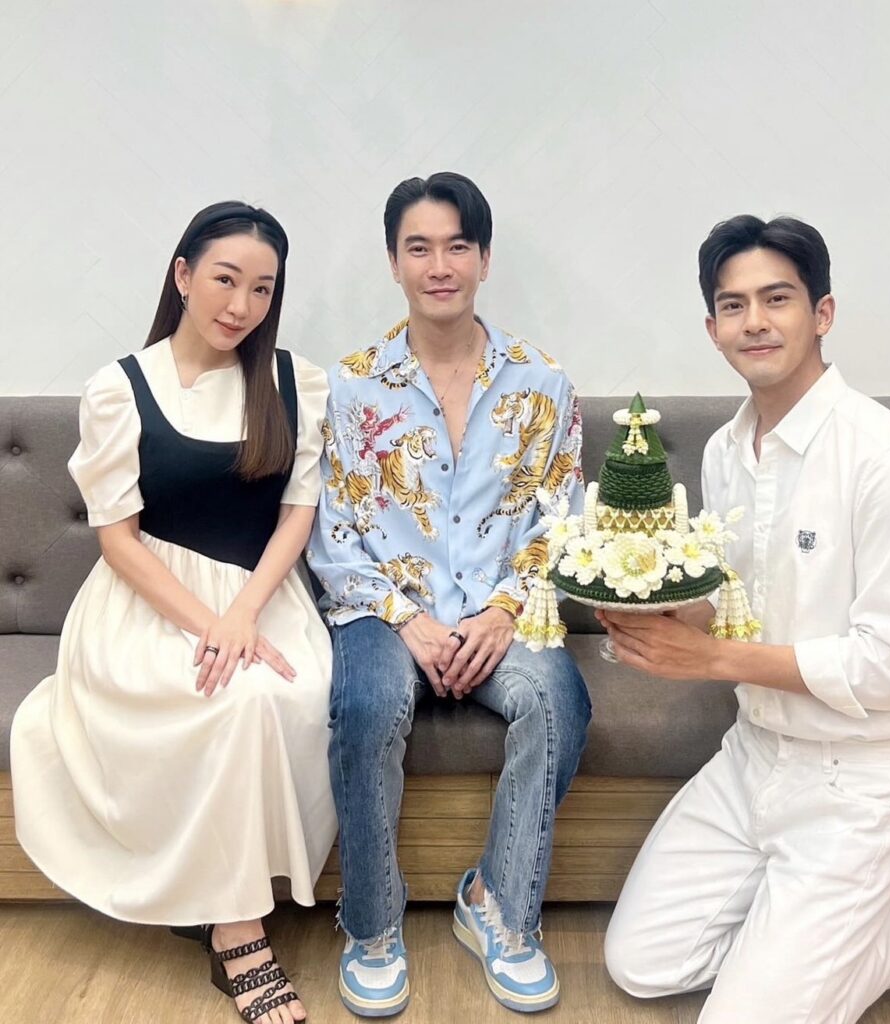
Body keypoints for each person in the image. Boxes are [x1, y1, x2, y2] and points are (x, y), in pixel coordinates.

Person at [600, 214, 890, 1023]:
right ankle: (812, 924)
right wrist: (650, 611)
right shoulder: (724, 452)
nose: (755, 322)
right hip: (753, 757)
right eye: (733, 306)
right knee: (641, 965)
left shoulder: (889, 461)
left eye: (777, 299)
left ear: (822, 312)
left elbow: (887, 669)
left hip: (859, 777)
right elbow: (737, 604)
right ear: (712, 329)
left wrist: (712, 662)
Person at [11, 201, 337, 1024]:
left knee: (286, 694)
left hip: (262, 594)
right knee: (228, 697)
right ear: (183, 275)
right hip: (149, 600)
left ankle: (223, 901)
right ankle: (239, 932)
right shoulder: (120, 389)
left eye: (262, 289)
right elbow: (118, 541)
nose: (241, 305)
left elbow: (296, 516)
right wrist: (208, 623)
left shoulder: (297, 383)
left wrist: (244, 613)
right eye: (225, 279)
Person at [308, 171, 591, 1016]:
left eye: (457, 246)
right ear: (393, 262)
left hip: (504, 610)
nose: (440, 266)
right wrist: (408, 620)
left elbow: (563, 520)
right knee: (366, 705)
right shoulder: (352, 385)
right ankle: (372, 924)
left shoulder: (544, 382)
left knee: (559, 698)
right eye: (420, 248)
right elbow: (335, 532)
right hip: (385, 610)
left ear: (485, 259)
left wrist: (505, 609)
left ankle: (498, 907)